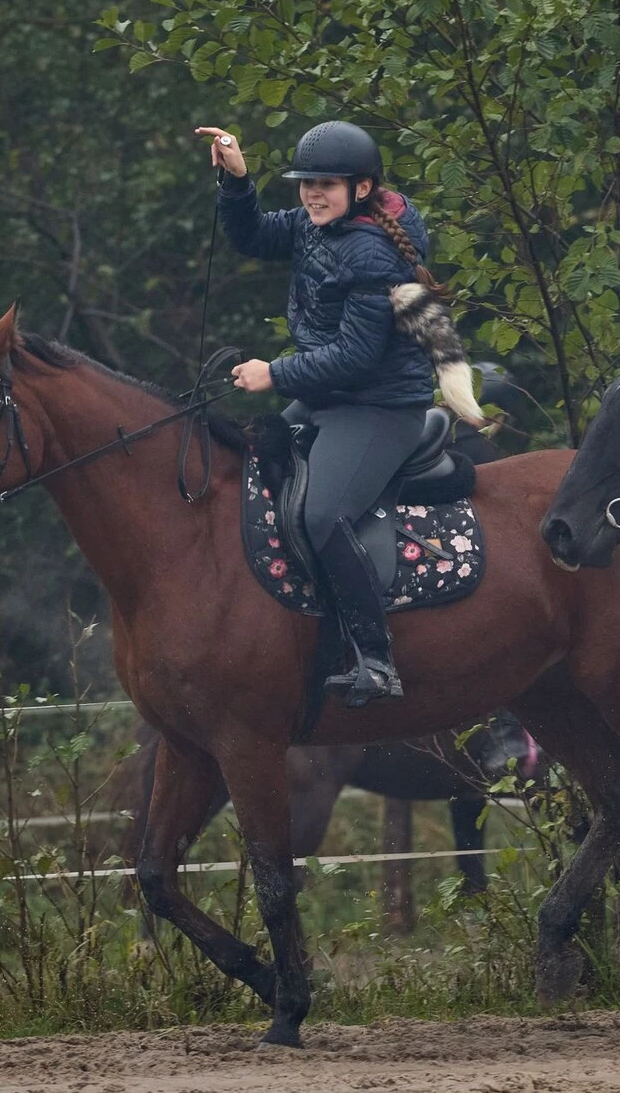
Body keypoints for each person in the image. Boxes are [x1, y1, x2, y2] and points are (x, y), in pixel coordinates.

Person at [195, 119, 458, 708]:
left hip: (380, 407)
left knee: (321, 516)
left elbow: (359, 357)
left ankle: (374, 656)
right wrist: (237, 182)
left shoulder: (369, 250)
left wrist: (275, 374)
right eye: (306, 182)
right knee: (257, 473)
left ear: (360, 189)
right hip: (332, 396)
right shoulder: (323, 226)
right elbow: (253, 237)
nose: (313, 193)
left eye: (327, 184)